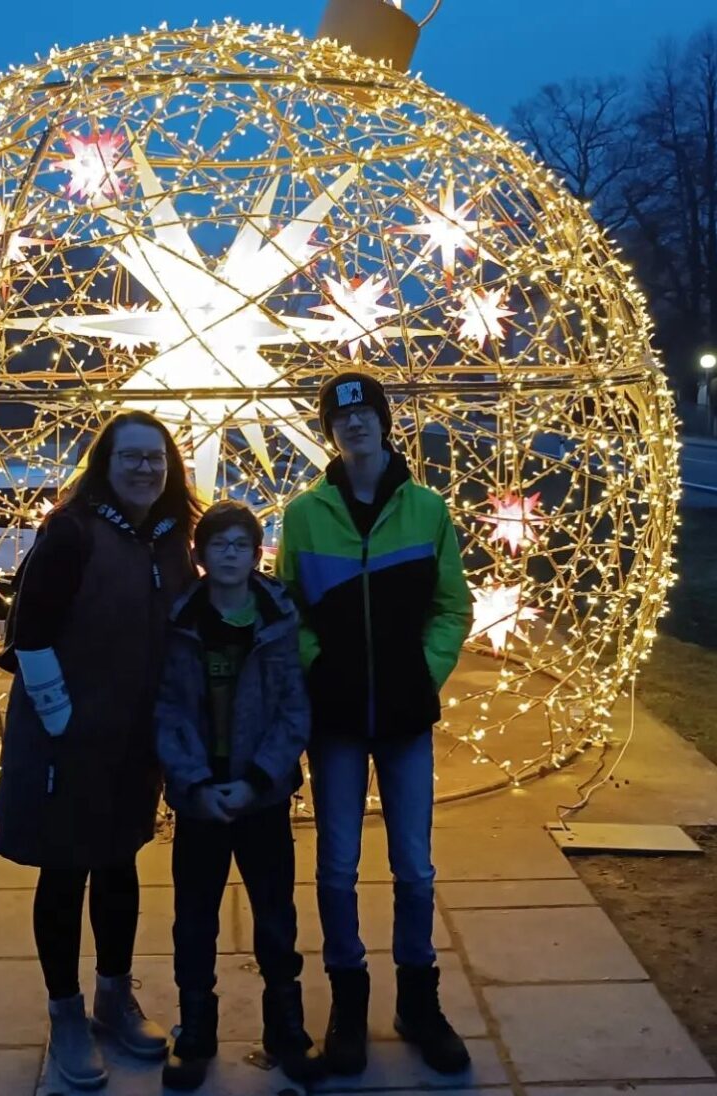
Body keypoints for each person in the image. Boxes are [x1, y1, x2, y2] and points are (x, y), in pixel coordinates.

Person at [0, 410, 199, 1091]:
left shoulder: (173, 540)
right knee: (64, 871)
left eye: (156, 458)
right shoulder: (71, 533)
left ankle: (114, 995)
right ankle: (67, 1015)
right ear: (105, 465)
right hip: (65, 739)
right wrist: (62, 720)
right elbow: (29, 634)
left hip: (132, 740)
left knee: (118, 862)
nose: (145, 468)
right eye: (132, 457)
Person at [276, 372, 473, 1076]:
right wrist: (317, 665)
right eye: (340, 416)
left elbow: (452, 607)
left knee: (415, 868)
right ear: (329, 430)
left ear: (385, 423)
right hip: (335, 720)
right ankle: (348, 1001)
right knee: (335, 868)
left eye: (365, 414)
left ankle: (418, 1000)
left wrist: (426, 671)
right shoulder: (305, 516)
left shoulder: (427, 511)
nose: (354, 425)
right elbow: (289, 607)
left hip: (403, 716)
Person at [156, 500, 325, 1091]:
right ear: (200, 556)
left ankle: (287, 1028)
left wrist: (258, 778)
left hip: (262, 797)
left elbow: (292, 709)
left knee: (276, 914)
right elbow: (169, 710)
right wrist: (197, 783)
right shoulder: (181, 622)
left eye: (241, 546)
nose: (230, 556)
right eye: (219, 545)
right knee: (194, 917)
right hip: (201, 801)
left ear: (258, 555)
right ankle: (196, 1028)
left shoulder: (277, 617)